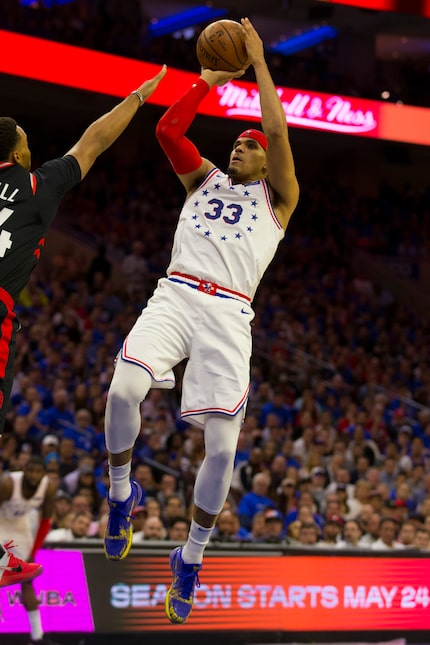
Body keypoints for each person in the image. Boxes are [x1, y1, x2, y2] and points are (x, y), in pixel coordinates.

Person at [102, 17, 299, 626]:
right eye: (236, 143)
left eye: (250, 146)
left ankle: (190, 558)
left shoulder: (279, 197)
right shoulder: (202, 178)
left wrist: (261, 65)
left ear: (267, 162)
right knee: (122, 391)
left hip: (230, 315)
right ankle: (119, 496)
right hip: (176, 295)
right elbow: (167, 127)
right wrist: (208, 79)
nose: (240, 146)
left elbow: (273, 126)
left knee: (221, 451)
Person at [0, 65, 166, 640]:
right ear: (19, 152)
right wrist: (139, 96)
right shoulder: (33, 183)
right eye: (26, 141)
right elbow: (93, 141)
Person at [0, 456, 57, 644]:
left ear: (43, 474)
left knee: (27, 580)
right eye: (30, 471)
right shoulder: (8, 484)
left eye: (37, 472)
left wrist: (34, 550)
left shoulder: (48, 487)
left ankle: (37, 637)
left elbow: (45, 522)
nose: (33, 475)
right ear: (24, 471)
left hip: (20, 526)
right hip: (1, 522)